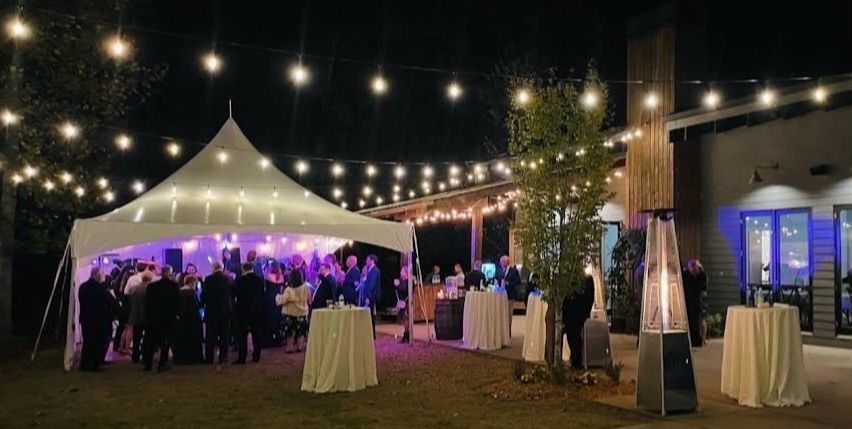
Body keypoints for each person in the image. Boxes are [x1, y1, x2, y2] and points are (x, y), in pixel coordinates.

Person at [144, 265, 180, 372]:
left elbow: (147, 303)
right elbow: (177, 304)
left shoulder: (151, 286)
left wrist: (148, 316)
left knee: (150, 342)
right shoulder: (174, 286)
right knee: (165, 342)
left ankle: (148, 364)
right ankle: (162, 364)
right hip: (168, 319)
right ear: (170, 273)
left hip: (153, 318)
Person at [78, 267, 112, 371]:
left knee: (87, 342)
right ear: (97, 275)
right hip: (98, 320)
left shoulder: (82, 287)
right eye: (101, 274)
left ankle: (84, 364)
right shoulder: (100, 289)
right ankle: (94, 365)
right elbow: (109, 303)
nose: (103, 277)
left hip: (85, 319)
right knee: (97, 343)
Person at [233, 262, 267, 364]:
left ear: (243, 269)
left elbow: (235, 294)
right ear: (252, 269)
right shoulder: (259, 280)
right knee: (256, 334)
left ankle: (242, 357)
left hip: (243, 310)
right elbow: (262, 293)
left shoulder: (239, 280)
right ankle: (256, 356)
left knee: (242, 335)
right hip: (256, 310)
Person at [201, 262, 233, 364]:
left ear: (213, 268)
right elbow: (232, 294)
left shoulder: (208, 279)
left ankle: (209, 357)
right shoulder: (228, 279)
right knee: (224, 335)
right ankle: (223, 357)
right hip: (225, 311)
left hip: (212, 311)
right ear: (222, 268)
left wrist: (202, 303)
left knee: (210, 335)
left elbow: (204, 296)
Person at [562, 273, 595, 369]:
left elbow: (589, 297)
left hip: (575, 313)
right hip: (576, 313)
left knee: (574, 337)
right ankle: (575, 360)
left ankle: (576, 362)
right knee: (573, 337)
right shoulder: (583, 279)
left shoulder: (583, 279)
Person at [276, 269, 310, 353]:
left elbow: (282, 300)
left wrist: (278, 296)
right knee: (301, 331)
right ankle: (300, 346)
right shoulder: (305, 287)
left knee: (289, 331)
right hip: (302, 312)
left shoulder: (289, 289)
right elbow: (309, 298)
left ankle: (289, 347)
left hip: (290, 313)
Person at [174, 275, 204, 364]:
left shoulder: (179, 292)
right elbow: (198, 305)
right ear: (192, 282)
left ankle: (181, 358)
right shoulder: (192, 293)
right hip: (193, 319)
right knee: (193, 339)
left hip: (182, 320)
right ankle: (194, 358)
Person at [127, 271, 153, 363]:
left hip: (135, 315)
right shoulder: (149, 289)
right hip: (145, 316)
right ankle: (145, 356)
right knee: (147, 338)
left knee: (136, 339)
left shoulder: (134, 288)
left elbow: (129, 300)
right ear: (150, 279)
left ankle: (135, 357)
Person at [683, 259, 708, 347]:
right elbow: (704, 283)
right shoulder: (699, 276)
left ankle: (694, 340)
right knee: (696, 323)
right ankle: (697, 340)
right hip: (696, 303)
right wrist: (700, 267)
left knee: (692, 323)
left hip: (690, 303)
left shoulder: (687, 276)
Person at [496, 255, 521, 334]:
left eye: (502, 262)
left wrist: (509, 283)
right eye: (501, 262)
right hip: (500, 295)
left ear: (507, 262)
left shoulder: (514, 271)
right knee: (501, 313)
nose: (501, 264)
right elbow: (497, 279)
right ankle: (502, 332)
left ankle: (508, 331)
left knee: (509, 313)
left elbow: (518, 281)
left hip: (510, 295)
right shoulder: (500, 271)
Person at [359, 254, 381, 338]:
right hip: (369, 296)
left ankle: (372, 335)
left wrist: (368, 297)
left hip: (371, 297)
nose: (366, 261)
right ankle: (370, 334)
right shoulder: (371, 270)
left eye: (367, 260)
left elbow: (371, 285)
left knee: (371, 316)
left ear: (372, 261)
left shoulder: (375, 270)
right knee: (369, 316)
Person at [264, 260, 286, 347]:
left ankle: (270, 339)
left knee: (270, 319)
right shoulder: (281, 277)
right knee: (278, 318)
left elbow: (266, 288)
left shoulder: (268, 276)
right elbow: (281, 289)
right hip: (278, 298)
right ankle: (278, 338)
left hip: (270, 298)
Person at [397, 264, 411, 343]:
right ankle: (406, 335)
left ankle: (407, 335)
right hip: (402, 301)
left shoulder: (408, 281)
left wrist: (398, 285)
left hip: (406, 301)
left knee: (406, 318)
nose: (400, 272)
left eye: (402, 271)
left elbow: (404, 290)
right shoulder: (402, 280)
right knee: (403, 319)